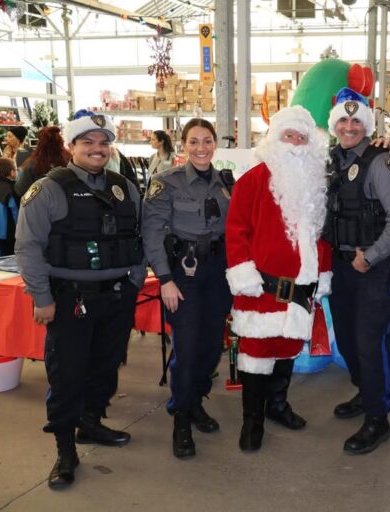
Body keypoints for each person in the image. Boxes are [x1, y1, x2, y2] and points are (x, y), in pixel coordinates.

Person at [14, 111, 145, 489]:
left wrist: (135, 281)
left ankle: (90, 424)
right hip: (68, 299)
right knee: (67, 373)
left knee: (105, 368)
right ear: (71, 146)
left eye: (103, 142)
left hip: (117, 298)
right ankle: (64, 449)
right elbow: (27, 247)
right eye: (87, 142)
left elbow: (140, 236)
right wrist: (42, 297)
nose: (97, 149)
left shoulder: (124, 187)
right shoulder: (49, 189)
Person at [225, 106, 331, 452]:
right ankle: (251, 421)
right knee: (257, 354)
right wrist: (243, 273)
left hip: (300, 288)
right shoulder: (252, 180)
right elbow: (236, 231)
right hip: (261, 286)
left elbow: (320, 235)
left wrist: (323, 274)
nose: (297, 144)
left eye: (303, 138)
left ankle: (278, 406)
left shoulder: (316, 184)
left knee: (286, 349)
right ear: (275, 139)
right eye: (290, 136)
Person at [324, 88, 390, 454]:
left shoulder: (381, 161)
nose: (349, 127)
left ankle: (378, 420)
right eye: (343, 121)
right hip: (341, 266)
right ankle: (366, 393)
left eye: (356, 121)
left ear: (367, 125)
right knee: (347, 341)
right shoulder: (333, 160)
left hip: (372, 269)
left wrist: (372, 256)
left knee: (369, 343)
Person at [142, 118, 233, 459]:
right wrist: (165, 279)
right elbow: (152, 233)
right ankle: (180, 417)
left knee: (211, 348)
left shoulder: (226, 181)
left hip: (219, 274)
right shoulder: (167, 183)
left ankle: (196, 402)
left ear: (214, 144)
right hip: (184, 274)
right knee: (188, 346)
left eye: (207, 141)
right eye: (193, 142)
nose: (201, 148)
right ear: (183, 146)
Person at [15, 126, 71, 198]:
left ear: (40, 143)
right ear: (61, 142)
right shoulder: (69, 159)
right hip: (68, 203)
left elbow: (20, 190)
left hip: (41, 204)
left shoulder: (33, 163)